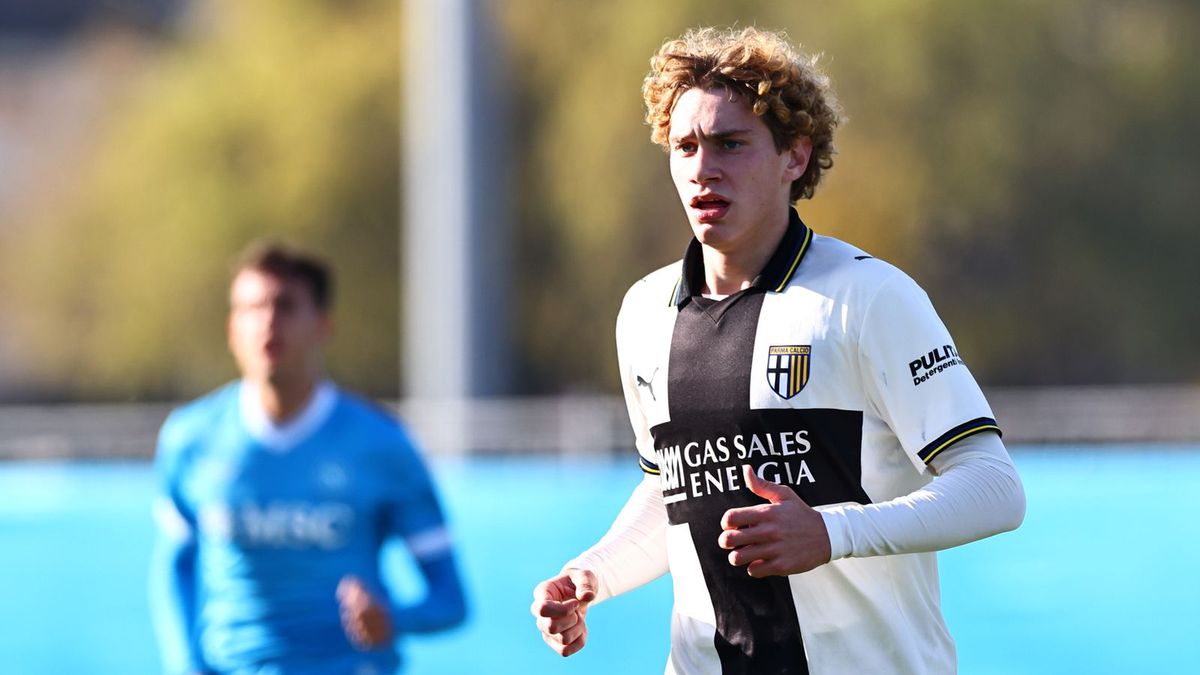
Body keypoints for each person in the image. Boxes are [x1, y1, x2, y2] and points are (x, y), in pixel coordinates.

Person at [531, 26, 1025, 675]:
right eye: (686, 146)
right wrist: (594, 572)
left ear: (795, 155)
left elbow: (994, 487)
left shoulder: (868, 298)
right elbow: (674, 490)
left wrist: (830, 531)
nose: (703, 167)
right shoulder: (645, 314)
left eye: (730, 144)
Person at [150, 243, 467, 674]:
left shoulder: (381, 443)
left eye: (284, 306)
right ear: (231, 327)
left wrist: (394, 619)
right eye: (251, 307)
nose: (267, 321)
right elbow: (175, 568)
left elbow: (451, 599)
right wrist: (186, 666)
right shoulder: (191, 438)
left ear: (322, 325)